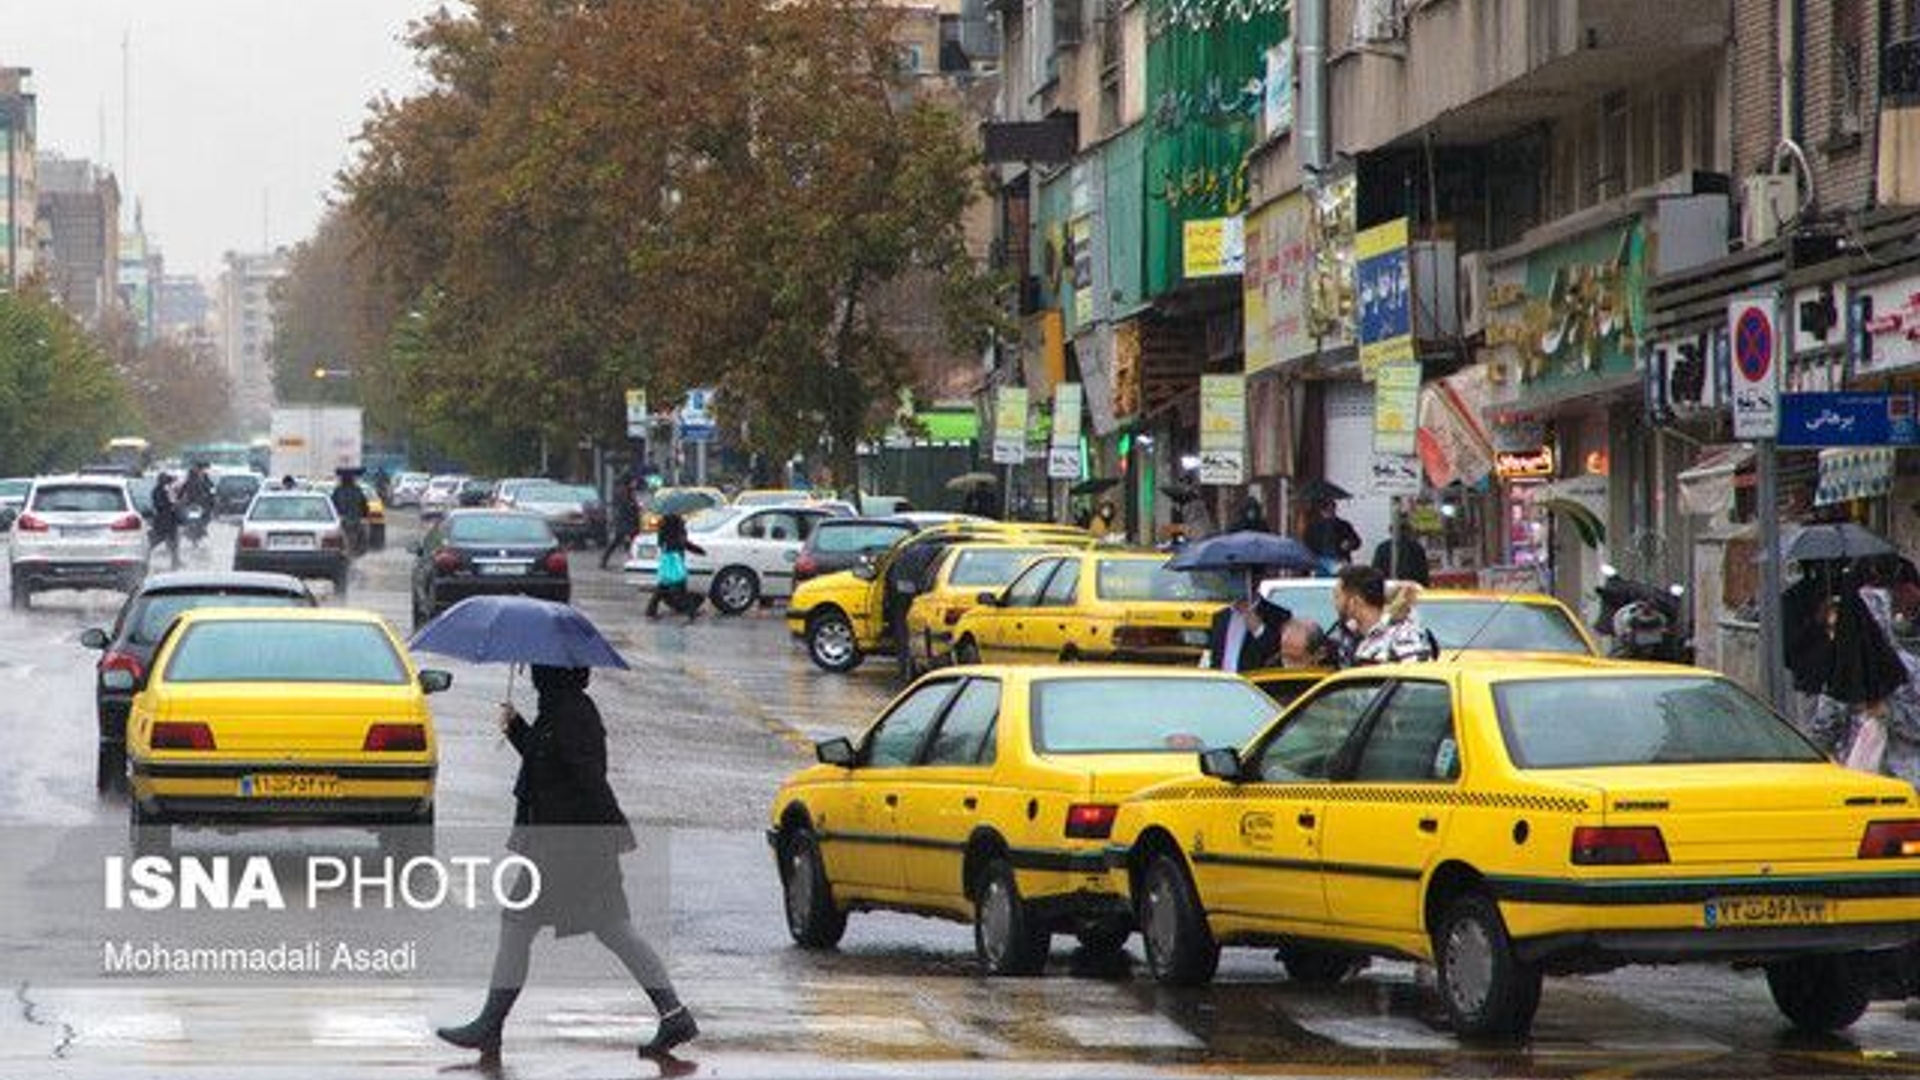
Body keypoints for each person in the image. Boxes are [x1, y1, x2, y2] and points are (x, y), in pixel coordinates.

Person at [436, 666, 696, 1060]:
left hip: (570, 848)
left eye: (540, 668)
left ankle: (489, 1026)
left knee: (521, 924)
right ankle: (674, 1014)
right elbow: (549, 766)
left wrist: (608, 835)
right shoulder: (560, 709)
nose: (533, 673)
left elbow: (590, 780)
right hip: (562, 845)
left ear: (555, 673)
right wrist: (517, 729)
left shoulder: (575, 714)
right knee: (612, 930)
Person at [1327, 564, 1436, 667]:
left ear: (1355, 602)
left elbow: (1417, 680)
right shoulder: (1348, 637)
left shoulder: (1403, 635)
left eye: (1337, 596)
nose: (1334, 603)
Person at [1203, 577, 1290, 673]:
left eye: (1240, 578)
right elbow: (1211, 658)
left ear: (1256, 582)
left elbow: (1279, 655)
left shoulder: (1277, 614)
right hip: (1223, 684)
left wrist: (1259, 629)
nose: (1234, 586)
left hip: (1254, 685)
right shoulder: (1220, 617)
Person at [646, 512, 706, 619]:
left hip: (667, 558)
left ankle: (650, 610)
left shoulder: (663, 523)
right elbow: (683, 542)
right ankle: (691, 611)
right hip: (675, 559)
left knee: (663, 586)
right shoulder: (675, 521)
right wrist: (698, 550)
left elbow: (661, 543)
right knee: (678, 587)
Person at [1302, 499, 1361, 573]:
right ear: (1321, 511)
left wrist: (1349, 543)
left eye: (1332, 509)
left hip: (1340, 561)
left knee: (1339, 582)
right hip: (1321, 563)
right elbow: (1307, 548)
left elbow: (1357, 542)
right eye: (1328, 510)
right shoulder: (1312, 527)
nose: (1331, 512)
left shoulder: (1344, 525)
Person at [1370, 518, 1431, 587]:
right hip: (1407, 587)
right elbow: (1423, 572)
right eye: (1402, 530)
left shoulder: (1382, 547)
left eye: (1404, 530)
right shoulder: (1416, 547)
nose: (1402, 533)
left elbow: (1376, 570)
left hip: (1398, 587)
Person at [600, 477, 640, 570]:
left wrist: (635, 506)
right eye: (633, 481)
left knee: (626, 542)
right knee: (620, 541)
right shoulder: (624, 492)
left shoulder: (629, 492)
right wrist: (634, 506)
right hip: (625, 522)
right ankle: (604, 560)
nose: (635, 483)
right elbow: (626, 506)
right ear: (629, 482)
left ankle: (631, 561)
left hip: (629, 522)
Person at [330, 472, 370, 556]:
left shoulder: (338, 490)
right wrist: (364, 516)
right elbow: (365, 505)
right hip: (355, 519)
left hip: (342, 519)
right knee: (358, 539)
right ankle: (353, 553)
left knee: (343, 539)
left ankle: (347, 553)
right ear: (352, 480)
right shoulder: (358, 490)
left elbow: (332, 505)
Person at [149, 472, 181, 571]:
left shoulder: (166, 490)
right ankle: (144, 557)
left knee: (174, 542)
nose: (167, 483)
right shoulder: (158, 491)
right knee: (155, 541)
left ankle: (175, 562)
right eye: (165, 480)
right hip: (162, 522)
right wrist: (171, 504)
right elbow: (160, 505)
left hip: (170, 521)